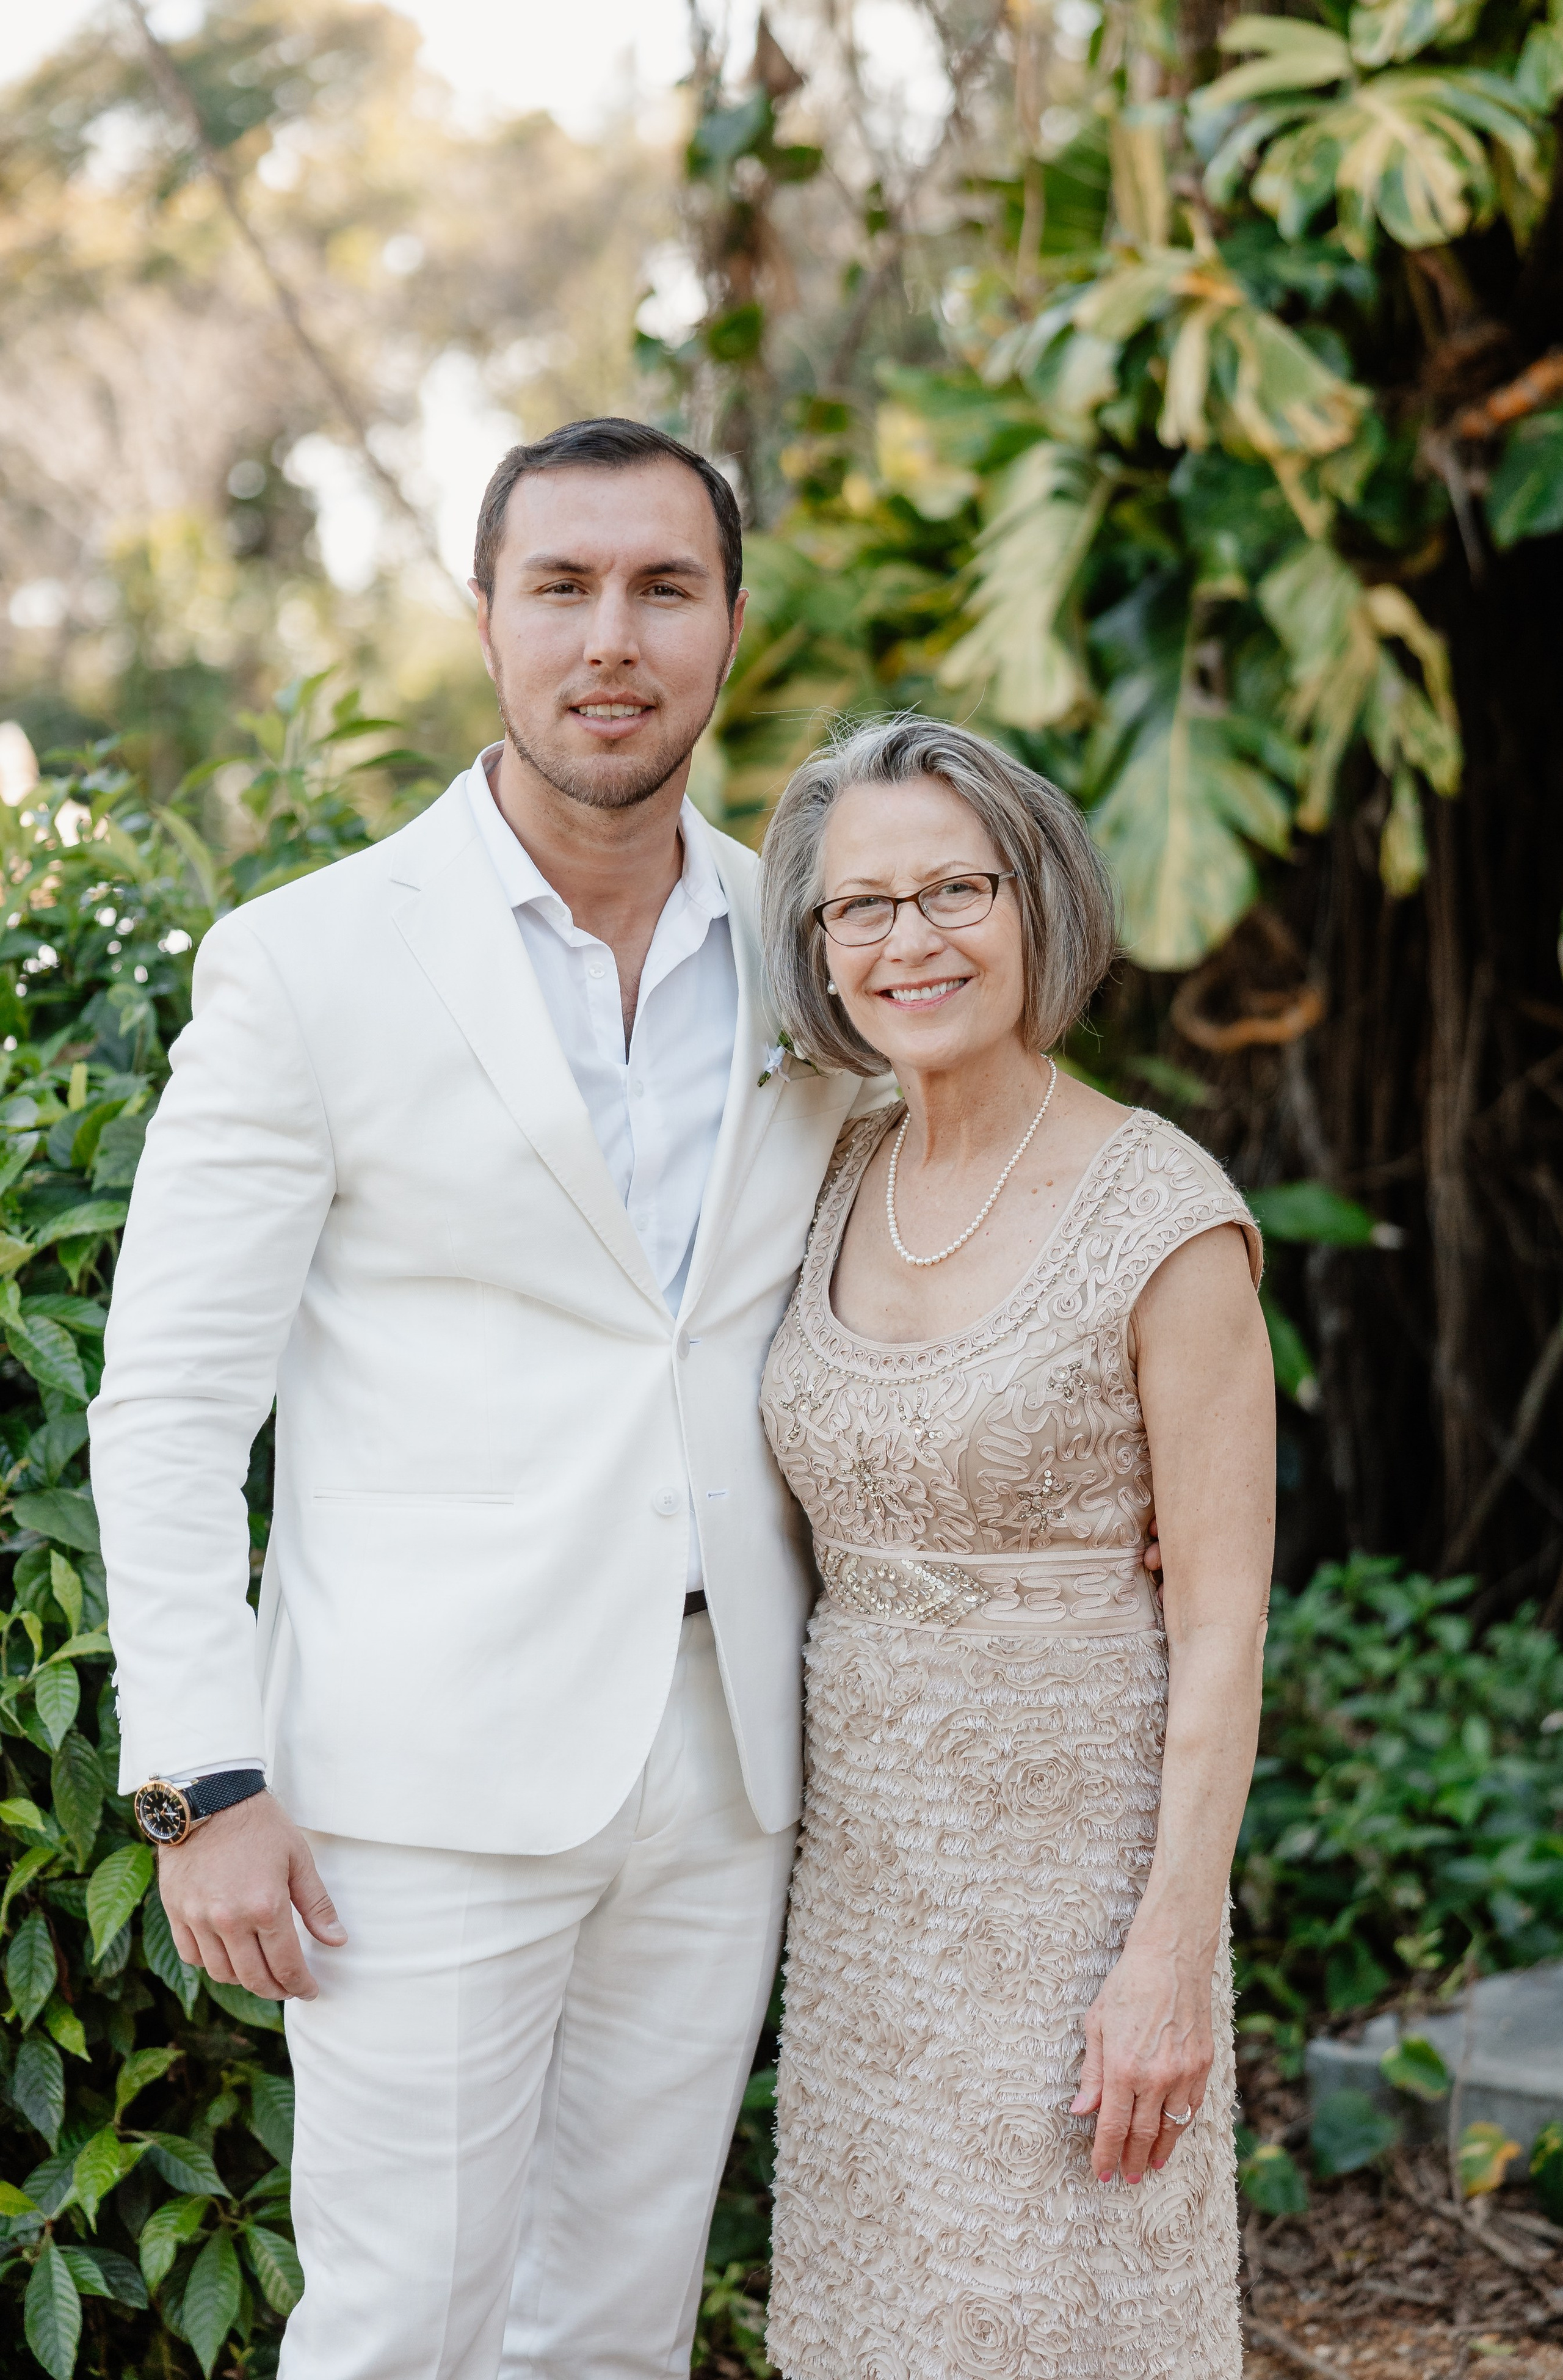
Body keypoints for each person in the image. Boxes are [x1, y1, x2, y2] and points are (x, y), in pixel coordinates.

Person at [88, 418, 890, 2380]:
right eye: (564, 585)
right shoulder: (307, 963)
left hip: (724, 1766)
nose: (610, 638)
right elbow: (170, 1400)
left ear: (725, 626)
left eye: (662, 587)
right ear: (485, 619)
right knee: (396, 2332)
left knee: (610, 2332)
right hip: (416, 1790)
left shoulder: (812, 954)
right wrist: (202, 1775)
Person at [755, 715, 1275, 2379]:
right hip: (867, 1901)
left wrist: (1168, 1957)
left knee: (1064, 2320)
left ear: (1037, 900)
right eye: (864, 908)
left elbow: (1224, 1625)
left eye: (954, 889)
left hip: (1078, 1895)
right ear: (820, 950)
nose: (911, 942)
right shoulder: (828, 1169)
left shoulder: (1162, 1215)